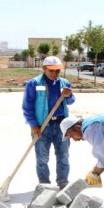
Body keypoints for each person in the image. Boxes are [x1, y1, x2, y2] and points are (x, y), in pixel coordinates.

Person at [22, 56, 75, 189]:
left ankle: (63, 183)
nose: (55, 74)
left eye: (57, 71)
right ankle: (45, 186)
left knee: (63, 157)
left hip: (62, 126)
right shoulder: (34, 84)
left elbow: (70, 101)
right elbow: (27, 106)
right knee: (42, 159)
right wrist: (33, 124)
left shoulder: (64, 83)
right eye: (51, 71)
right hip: (42, 126)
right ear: (44, 68)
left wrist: (69, 95)